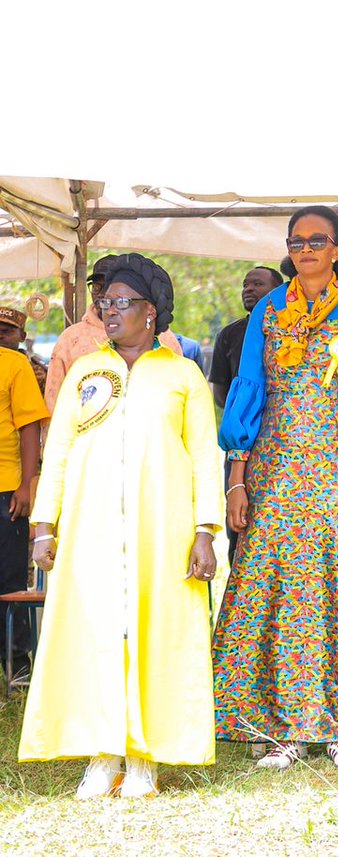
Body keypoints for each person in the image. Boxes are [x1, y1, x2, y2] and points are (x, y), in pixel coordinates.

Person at [214, 205, 338, 771]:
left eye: (317, 240)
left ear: (337, 249)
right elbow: (248, 389)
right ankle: (280, 730)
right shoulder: (269, 311)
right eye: (296, 241)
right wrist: (236, 477)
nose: (305, 249)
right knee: (278, 594)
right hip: (274, 474)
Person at [19, 254, 222, 799]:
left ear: (150, 313)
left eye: (121, 303)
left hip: (165, 529)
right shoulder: (87, 372)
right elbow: (58, 449)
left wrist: (206, 530)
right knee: (94, 633)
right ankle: (102, 754)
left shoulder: (182, 375)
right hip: (90, 528)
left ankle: (143, 758)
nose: (108, 311)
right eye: (104, 303)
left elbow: (205, 456)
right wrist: (44, 524)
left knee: (157, 634)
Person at [44, 256, 183, 413]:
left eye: (111, 287)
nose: (104, 294)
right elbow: (54, 402)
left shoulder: (163, 337)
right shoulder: (71, 338)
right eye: (97, 286)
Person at [0, 305, 48, 671]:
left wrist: (26, 484)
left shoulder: (16, 366)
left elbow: (29, 427)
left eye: (7, 328)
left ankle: (17, 667)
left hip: (6, 487)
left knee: (10, 578)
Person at [209, 267, 283, 408]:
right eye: (245, 285)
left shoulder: (295, 330)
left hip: (286, 420)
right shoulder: (228, 334)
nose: (248, 289)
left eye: (257, 284)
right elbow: (220, 395)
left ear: (278, 291)